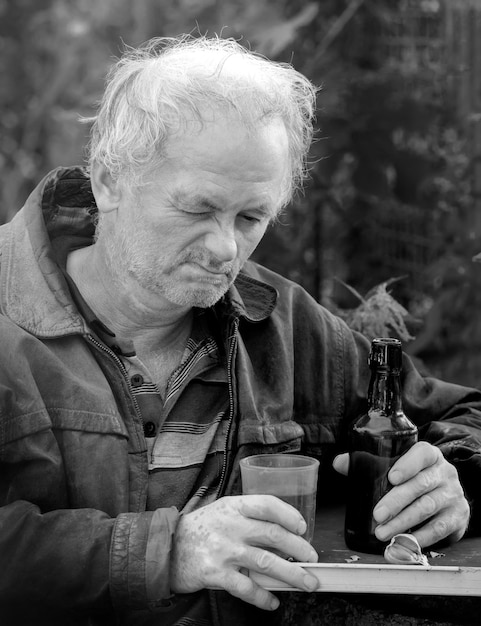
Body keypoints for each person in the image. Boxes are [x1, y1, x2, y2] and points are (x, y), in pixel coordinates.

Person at [0, 34, 480, 626]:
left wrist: (454, 476)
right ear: (108, 180)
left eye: (251, 217)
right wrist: (170, 551)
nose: (225, 248)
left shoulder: (279, 318)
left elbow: (463, 414)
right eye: (198, 209)